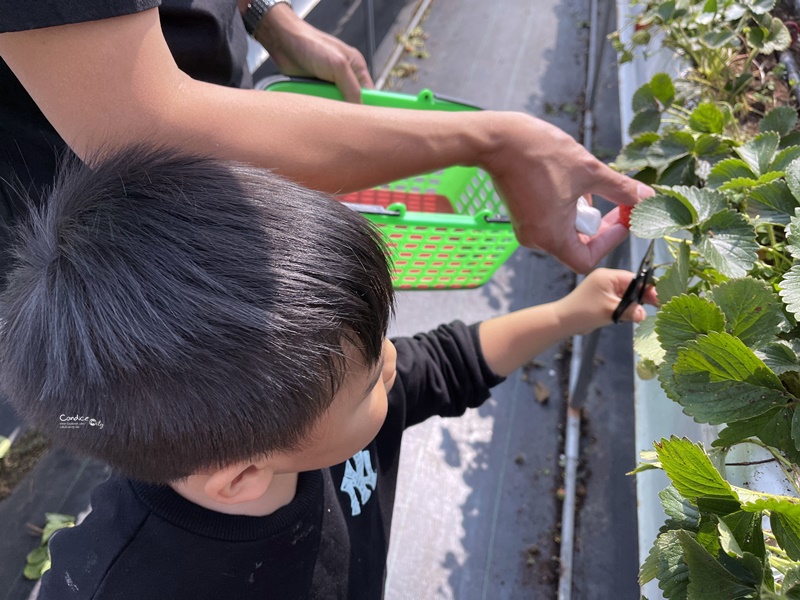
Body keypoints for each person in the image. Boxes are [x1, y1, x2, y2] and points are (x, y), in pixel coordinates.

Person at [0, 146, 656, 599]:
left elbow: (448, 363)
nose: (396, 361)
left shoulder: (278, 421)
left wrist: (574, 311)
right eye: (371, 379)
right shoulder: (121, 581)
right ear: (245, 476)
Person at [0, 1, 651, 282]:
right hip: (92, 214)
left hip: (214, 136)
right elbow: (143, 128)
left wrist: (265, 17)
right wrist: (493, 142)